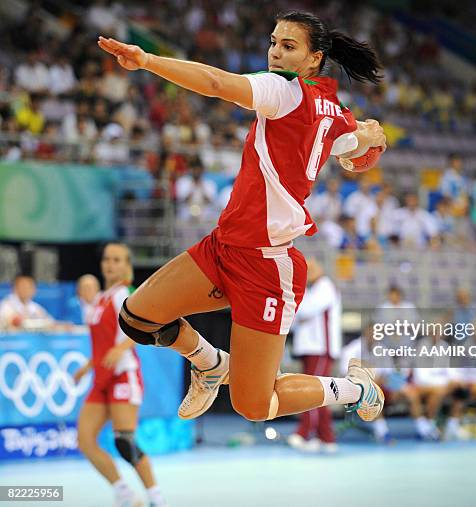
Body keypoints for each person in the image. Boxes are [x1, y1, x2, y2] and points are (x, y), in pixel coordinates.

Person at [98, 11, 387, 433]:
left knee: (253, 404)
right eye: (273, 41)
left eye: (288, 46)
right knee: (136, 318)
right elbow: (359, 141)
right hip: (223, 247)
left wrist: (147, 61)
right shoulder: (335, 112)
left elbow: (216, 83)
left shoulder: (284, 88)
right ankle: (211, 364)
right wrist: (373, 136)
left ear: (313, 59)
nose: (274, 51)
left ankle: (357, 389)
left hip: (267, 268)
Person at [73, 244, 166, 507]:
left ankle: (156, 497)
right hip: (101, 378)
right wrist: (87, 366)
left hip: (124, 375)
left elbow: (142, 329)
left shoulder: (124, 294)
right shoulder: (102, 298)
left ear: (126, 265)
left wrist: (121, 348)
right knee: (85, 440)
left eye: (116, 260)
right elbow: (104, 343)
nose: (110, 264)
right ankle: (123, 492)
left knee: (124, 441)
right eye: (106, 259)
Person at [288, 258, 342, 453]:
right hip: (308, 348)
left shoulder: (325, 287)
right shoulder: (311, 290)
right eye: (305, 269)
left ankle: (303, 432)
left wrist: (295, 303)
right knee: (319, 393)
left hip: (320, 349)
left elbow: (304, 311)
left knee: (312, 392)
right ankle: (326, 438)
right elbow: (293, 320)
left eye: (311, 268)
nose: (308, 272)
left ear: (320, 269)